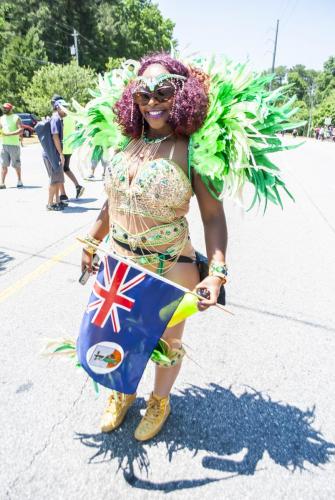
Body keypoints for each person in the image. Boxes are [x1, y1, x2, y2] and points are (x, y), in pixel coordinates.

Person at [81, 54, 228, 441]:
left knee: (166, 344)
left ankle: (159, 400)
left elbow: (213, 217)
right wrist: (93, 239)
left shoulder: (194, 149)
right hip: (120, 263)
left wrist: (216, 273)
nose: (152, 102)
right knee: (120, 335)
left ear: (184, 95)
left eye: (163, 92)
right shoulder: (128, 142)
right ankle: (122, 392)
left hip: (170, 266)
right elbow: (113, 201)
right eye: (143, 95)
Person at [50, 95, 85, 204]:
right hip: (70, 146)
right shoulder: (70, 115)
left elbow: (56, 134)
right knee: (65, 168)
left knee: (59, 170)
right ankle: (77, 186)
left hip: (61, 146)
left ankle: (63, 194)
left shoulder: (59, 116)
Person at [0, 103, 23, 189]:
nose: (4, 109)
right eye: (3, 108)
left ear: (10, 109)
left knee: (16, 164)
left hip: (14, 145)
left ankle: (19, 180)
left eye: (6, 108)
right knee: (3, 164)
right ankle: (2, 183)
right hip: (4, 145)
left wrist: (8, 134)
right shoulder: (1, 118)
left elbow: (21, 130)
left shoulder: (16, 118)